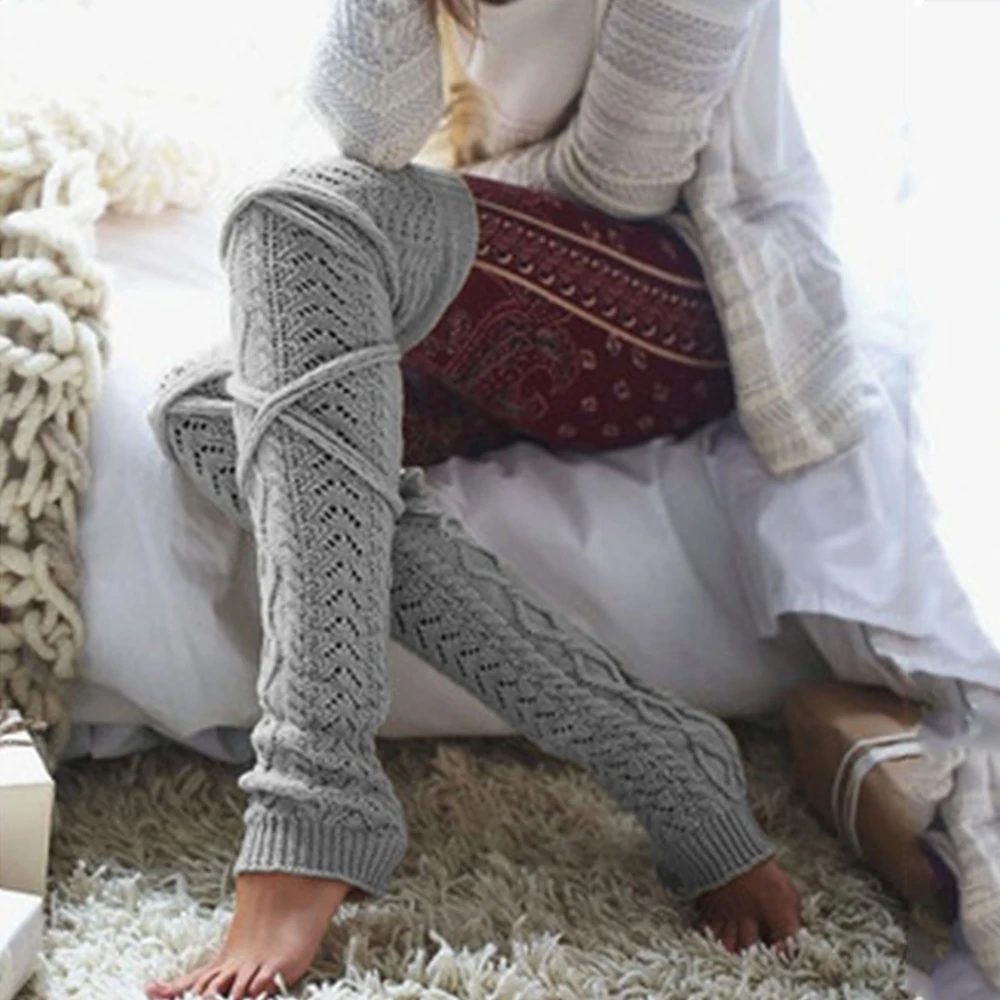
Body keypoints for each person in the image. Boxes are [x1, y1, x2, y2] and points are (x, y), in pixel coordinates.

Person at [143, 0, 893, 996]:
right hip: (511, 274)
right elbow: (373, 133)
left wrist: (399, 233)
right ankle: (663, 756)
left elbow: (620, 180)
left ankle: (313, 788)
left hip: (682, 299)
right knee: (202, 407)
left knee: (301, 216)